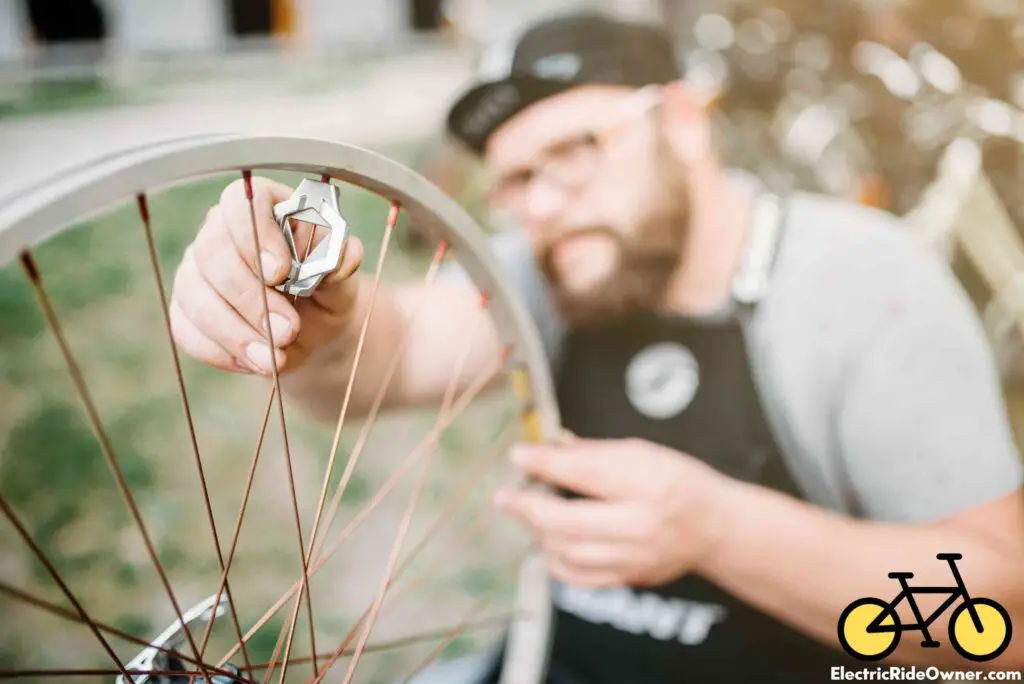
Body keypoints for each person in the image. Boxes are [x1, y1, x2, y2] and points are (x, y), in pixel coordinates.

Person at [169, 10, 1024, 683]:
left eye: (574, 152)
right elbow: (378, 366)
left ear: (684, 121)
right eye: (514, 181)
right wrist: (309, 321)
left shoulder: (860, 287)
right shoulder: (556, 269)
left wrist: (717, 530)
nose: (540, 206)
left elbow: (1001, 632)